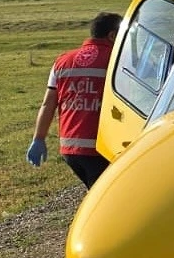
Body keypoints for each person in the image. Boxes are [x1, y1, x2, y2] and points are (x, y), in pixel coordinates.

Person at [27, 11, 123, 189]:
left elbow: (48, 104)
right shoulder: (117, 59)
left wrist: (39, 138)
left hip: (70, 149)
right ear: (112, 35)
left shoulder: (62, 61)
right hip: (102, 148)